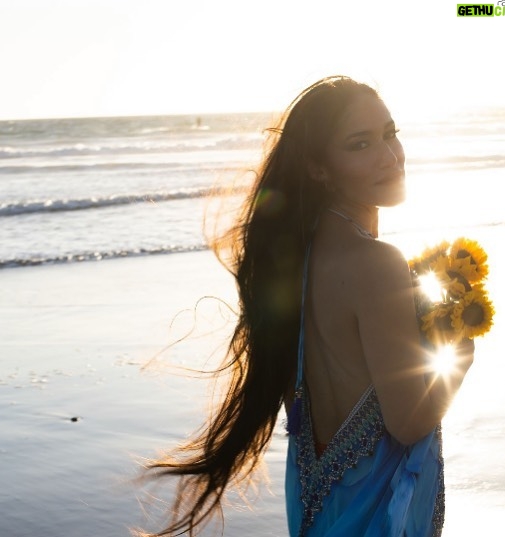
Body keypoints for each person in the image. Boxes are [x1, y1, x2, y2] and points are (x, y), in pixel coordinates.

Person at [143, 76, 475, 536]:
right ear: (319, 169)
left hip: (321, 515)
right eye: (360, 144)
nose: (390, 156)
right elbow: (407, 423)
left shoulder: (299, 260)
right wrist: (458, 357)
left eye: (390, 133)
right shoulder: (376, 264)